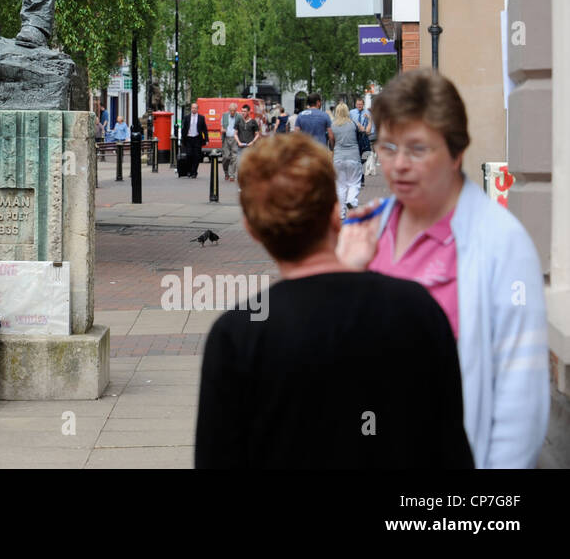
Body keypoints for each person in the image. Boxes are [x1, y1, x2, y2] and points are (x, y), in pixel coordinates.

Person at [195, 133, 473, 468]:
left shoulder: (236, 334)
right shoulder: (415, 307)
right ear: (332, 214)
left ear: (252, 229)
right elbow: (450, 448)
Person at [336, 69, 548, 468]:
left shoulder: (501, 243)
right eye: (388, 146)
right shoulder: (364, 231)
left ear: (456, 152)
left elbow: (520, 400)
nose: (398, 165)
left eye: (418, 149)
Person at [330, 102, 362, 215]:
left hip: (338, 158)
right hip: (353, 157)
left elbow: (332, 142)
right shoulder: (353, 124)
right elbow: (360, 136)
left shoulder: (333, 125)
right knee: (354, 183)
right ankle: (352, 201)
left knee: (340, 185)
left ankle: (341, 212)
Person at [182, 101, 207, 178]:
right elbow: (184, 129)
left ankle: (194, 172)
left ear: (197, 109)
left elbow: (204, 129)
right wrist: (182, 138)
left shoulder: (201, 118)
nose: (194, 109)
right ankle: (189, 170)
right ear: (191, 109)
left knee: (196, 156)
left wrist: (206, 139)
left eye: (195, 108)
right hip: (189, 138)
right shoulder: (186, 117)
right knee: (189, 155)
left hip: (197, 139)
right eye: (192, 108)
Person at [220, 103, 241, 181]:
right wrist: (222, 130)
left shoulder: (239, 117)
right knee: (226, 157)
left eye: (234, 111)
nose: (232, 112)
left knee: (234, 157)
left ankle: (232, 175)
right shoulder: (224, 115)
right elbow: (221, 127)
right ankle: (226, 172)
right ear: (229, 110)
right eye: (231, 110)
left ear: (236, 110)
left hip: (235, 139)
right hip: (226, 138)